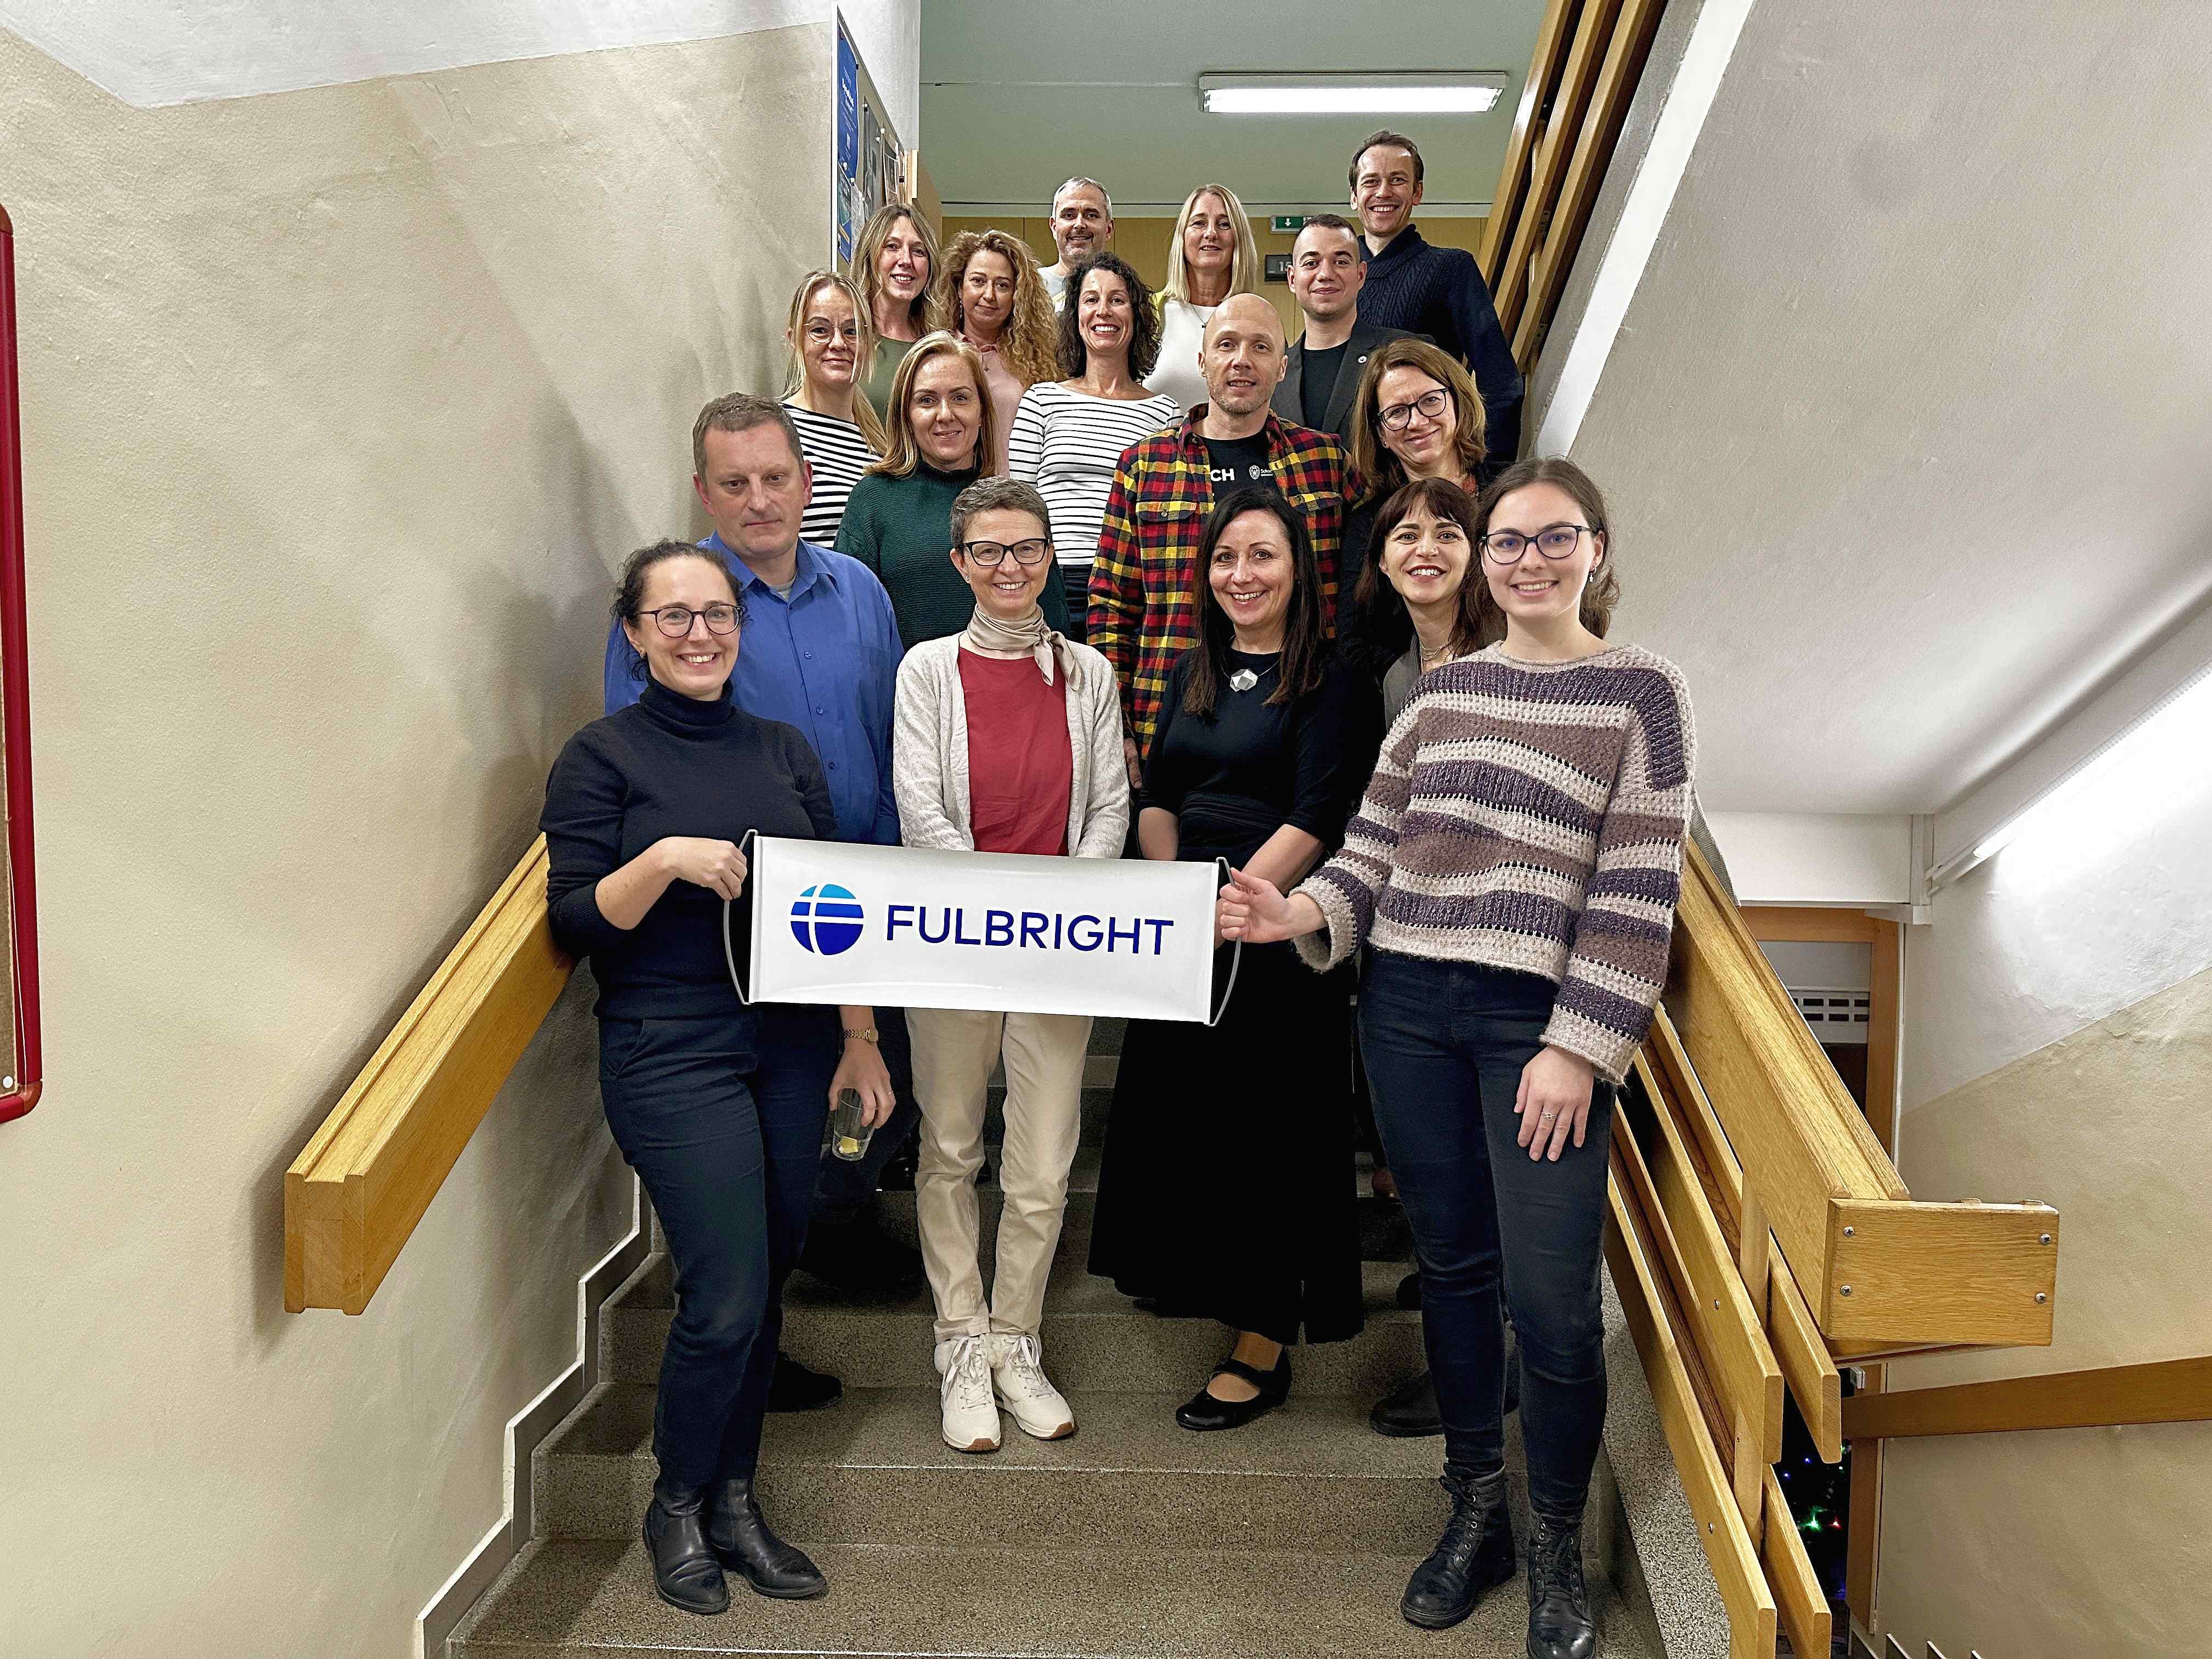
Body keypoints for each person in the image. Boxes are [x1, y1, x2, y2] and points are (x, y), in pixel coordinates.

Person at [1216, 455, 1697, 1656]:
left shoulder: (1643, 692)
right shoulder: (1443, 692)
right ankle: (1476, 1506)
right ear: (1487, 561)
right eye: (1509, 541)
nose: (1529, 560)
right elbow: (1373, 849)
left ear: (1596, 549)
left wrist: (1580, 1044)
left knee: (1554, 1303)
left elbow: (1639, 887)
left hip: (1540, 1030)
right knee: (1456, 1272)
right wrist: (1299, 912)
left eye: (1555, 537)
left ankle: (1555, 1543)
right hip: (1408, 1009)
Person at [544, 540, 899, 1616]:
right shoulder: (601, 756)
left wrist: (860, 1037)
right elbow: (574, 921)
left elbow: (839, 906)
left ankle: (736, 1501)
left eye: (717, 614)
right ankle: (677, 1503)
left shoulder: (784, 750)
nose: (700, 633)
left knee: (771, 1269)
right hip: (668, 1044)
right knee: (728, 1289)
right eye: (675, 616)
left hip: (790, 1044)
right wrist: (662, 861)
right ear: (636, 633)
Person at [598, 395, 921, 1384]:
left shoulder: (860, 590)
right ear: (704, 491)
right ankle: (750, 1340)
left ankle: (829, 1230)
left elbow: (890, 732)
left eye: (776, 477)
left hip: (863, 894)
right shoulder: (679, 606)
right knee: (751, 1156)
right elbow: (646, 759)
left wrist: (893, 865)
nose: (759, 499)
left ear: (808, 481)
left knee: (867, 1096)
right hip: (739, 927)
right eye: (734, 483)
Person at [1090, 486, 1377, 1430]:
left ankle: (1261, 1343)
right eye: (1225, 557)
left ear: (1298, 567)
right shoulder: (1190, 670)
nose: (1241, 574)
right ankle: (1192, 1274)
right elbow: (1159, 795)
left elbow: (1319, 812)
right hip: (1187, 922)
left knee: (1266, 1139)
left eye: (1262, 555)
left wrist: (1238, 903)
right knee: (1187, 1120)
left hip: (1274, 923)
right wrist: (1178, 898)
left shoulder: (1333, 679)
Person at [891, 477, 1130, 1453]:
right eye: (988, 550)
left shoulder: (1090, 673)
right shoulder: (926, 669)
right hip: (953, 943)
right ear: (960, 563)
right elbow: (919, 805)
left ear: (1048, 556)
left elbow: (1109, 804)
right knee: (950, 1148)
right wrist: (992, 907)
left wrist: (1059, 904)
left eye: (1026, 547)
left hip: (1059, 948)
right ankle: (958, 1339)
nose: (1009, 566)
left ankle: (1013, 1340)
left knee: (1040, 1165)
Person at [1090, 294, 1346, 783]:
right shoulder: (1144, 466)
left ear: (1282, 366)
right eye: (1227, 345)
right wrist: (1115, 727)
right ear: (1203, 361)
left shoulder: (1326, 461)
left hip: (1299, 725)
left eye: (1261, 347)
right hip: (1169, 720)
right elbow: (1112, 606)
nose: (1242, 360)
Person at [838, 332, 1070, 650]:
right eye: (927, 400)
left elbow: (1055, 628)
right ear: (906, 414)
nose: (945, 414)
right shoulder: (874, 499)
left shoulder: (1015, 506)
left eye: (960, 398)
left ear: (982, 411)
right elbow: (848, 620)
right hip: (905, 681)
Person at [1007, 251, 1179, 638]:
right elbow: (1019, 504)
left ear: (1136, 316)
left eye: (1117, 300)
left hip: (1130, 584)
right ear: (1075, 315)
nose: (1104, 311)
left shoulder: (1165, 412)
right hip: (1050, 580)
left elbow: (1163, 514)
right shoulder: (1041, 400)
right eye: (1091, 300)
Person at [1348, 131, 1524, 472]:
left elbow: (1501, 382)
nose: (1383, 192)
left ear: (1417, 192)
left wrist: (1486, 473)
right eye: (1371, 182)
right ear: (1355, 196)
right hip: (1351, 476)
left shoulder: (1451, 269)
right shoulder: (1336, 279)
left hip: (1428, 471)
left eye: (1397, 180)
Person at [1339, 338, 1489, 651]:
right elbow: (1354, 640)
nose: (1418, 422)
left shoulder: (1510, 492)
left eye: (1431, 401)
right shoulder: (1369, 523)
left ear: (1458, 403)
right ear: (1381, 433)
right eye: (1397, 412)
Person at [1271, 212, 1421, 446]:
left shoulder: (1408, 352)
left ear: (1361, 275)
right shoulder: (1272, 372)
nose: (1325, 274)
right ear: (1292, 279)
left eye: (1340, 262)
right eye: (1311, 263)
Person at [934, 228, 1059, 474]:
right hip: (944, 488)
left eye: (1002, 285)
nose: (989, 295)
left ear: (1016, 295)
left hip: (1011, 491)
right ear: (959, 288)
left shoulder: (1038, 364)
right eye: (978, 281)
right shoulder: (935, 353)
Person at [781, 270, 887, 545]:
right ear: (794, 339)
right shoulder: (777, 430)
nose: (839, 344)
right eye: (820, 330)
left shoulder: (881, 444)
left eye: (851, 331)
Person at [1144, 183, 1262, 413]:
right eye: (1199, 223)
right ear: (1183, 237)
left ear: (1238, 239)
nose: (1211, 234)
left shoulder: (1258, 319)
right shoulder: (1148, 312)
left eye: (1224, 224)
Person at [850, 204, 938, 419]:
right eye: (892, 246)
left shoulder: (937, 348)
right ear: (869, 256)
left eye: (918, 251)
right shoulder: (840, 339)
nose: (906, 260)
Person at [1037, 176, 1114, 308]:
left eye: (1091, 215)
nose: (1079, 225)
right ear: (1054, 227)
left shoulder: (1124, 289)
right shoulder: (1029, 285)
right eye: (1069, 215)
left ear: (1108, 229)